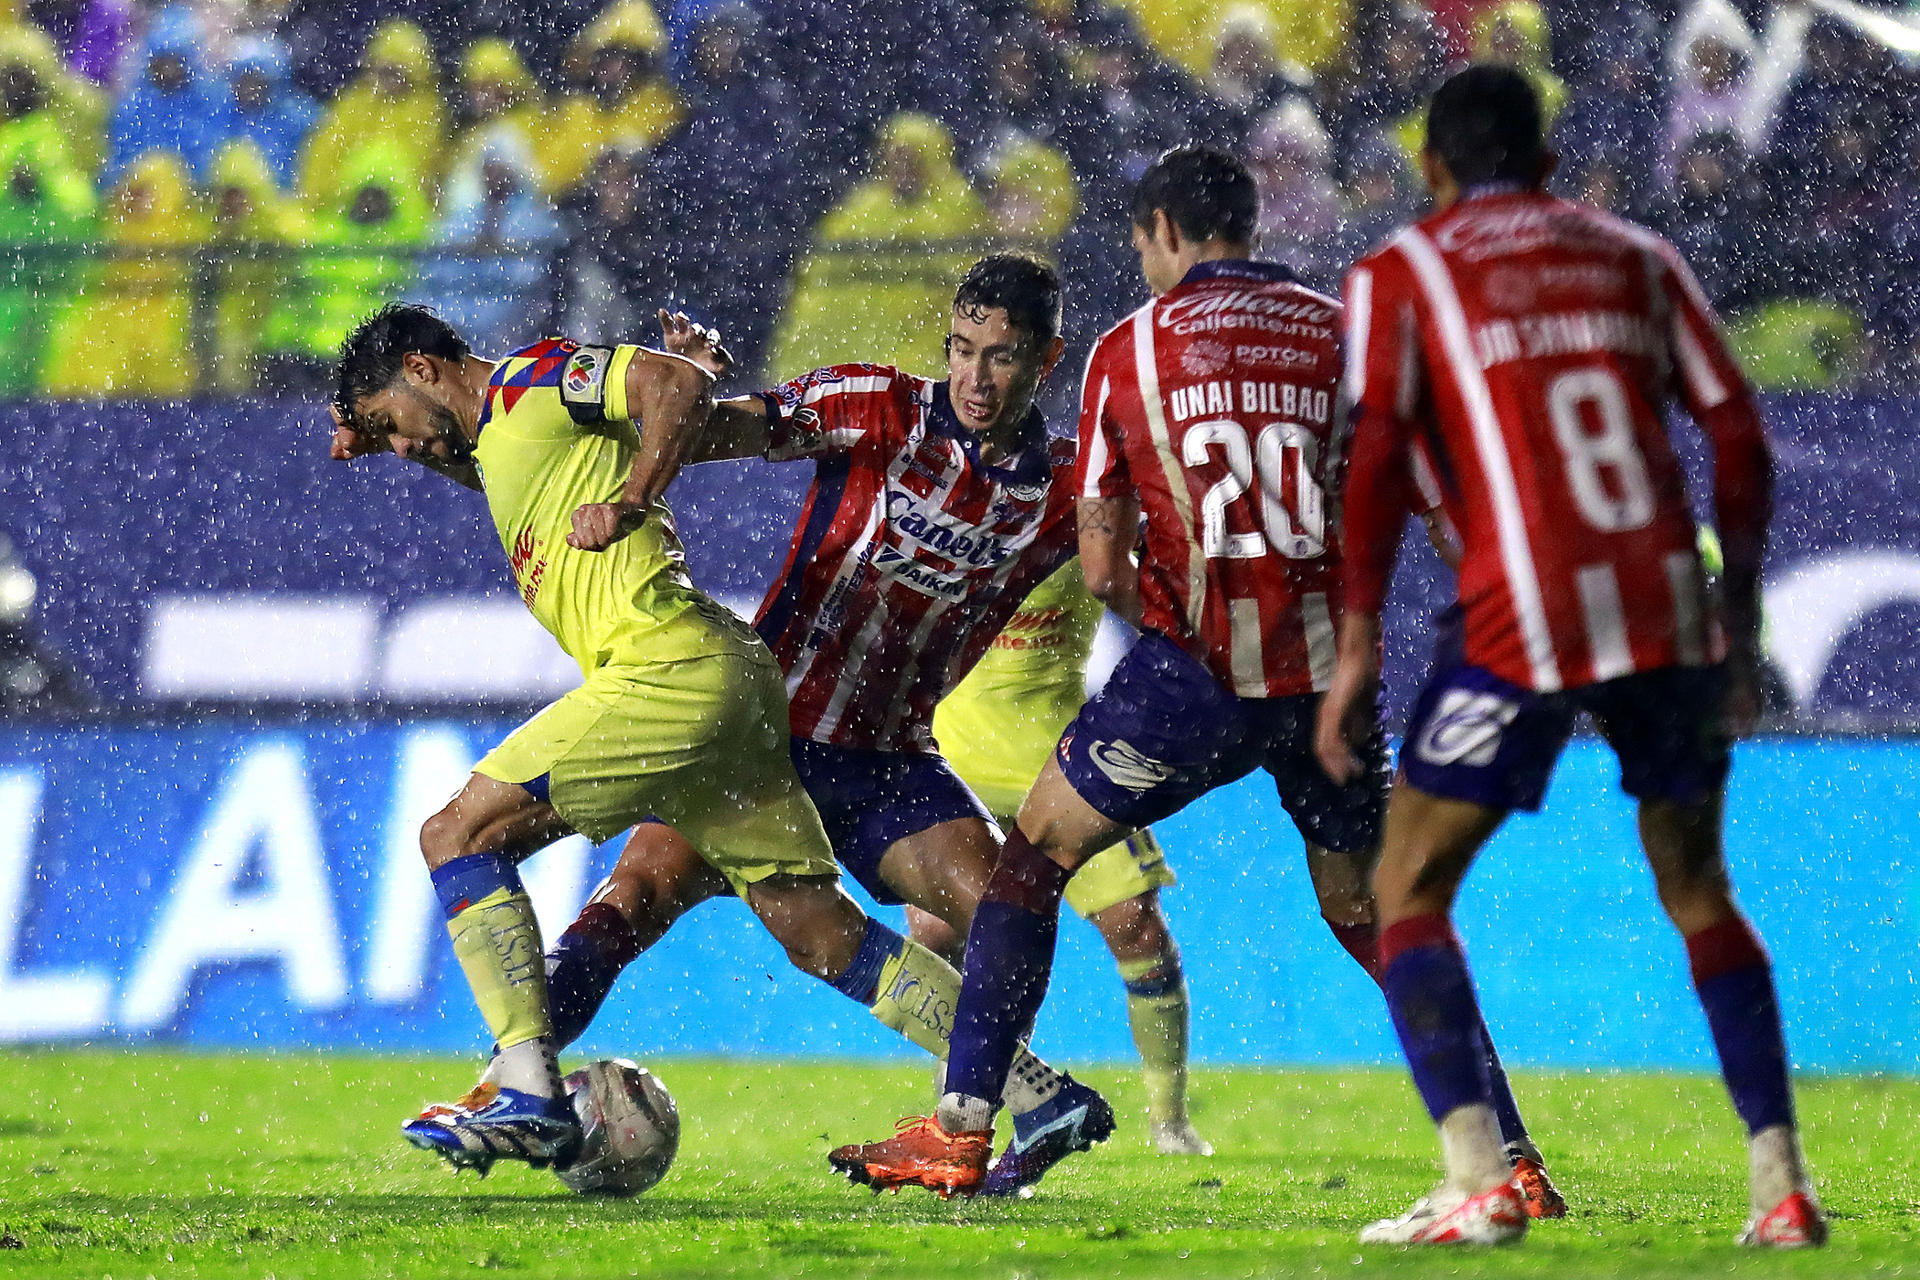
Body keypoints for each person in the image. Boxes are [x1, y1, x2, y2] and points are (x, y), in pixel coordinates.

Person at [827, 146, 1555, 1207]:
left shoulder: (1130, 349)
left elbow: (1102, 560)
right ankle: (1513, 1160)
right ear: (1246, 226)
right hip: (1325, 692)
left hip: (1195, 680)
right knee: (1375, 913)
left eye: (1140, 242)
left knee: (1031, 863)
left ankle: (961, 1128)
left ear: (1165, 231)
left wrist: (1162, 613)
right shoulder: (1348, 333)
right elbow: (1447, 515)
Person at [326, 302, 1083, 1177]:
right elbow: (528, 441)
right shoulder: (504, 445)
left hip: (669, 670)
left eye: (393, 425)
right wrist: (374, 435)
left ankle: (528, 1087)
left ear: (423, 368)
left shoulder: (533, 376)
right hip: (740, 687)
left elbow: (673, 387)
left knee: (457, 834)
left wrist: (635, 492)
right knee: (815, 930)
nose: (404, 447)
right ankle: (1035, 1091)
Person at [1312, 65, 1824, 1248]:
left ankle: (1481, 1178)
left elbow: (1380, 463)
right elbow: (1737, 430)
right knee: (1699, 888)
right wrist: (1735, 611)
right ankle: (1781, 1184)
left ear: (1432, 167)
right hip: (1665, 605)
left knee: (1407, 889)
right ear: (1546, 162)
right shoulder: (1636, 251)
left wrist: (1356, 645)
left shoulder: (1404, 272)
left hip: (1522, 613)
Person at [534, 256, 1122, 1196]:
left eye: (1002, 358)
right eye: (961, 351)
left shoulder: (1064, 491)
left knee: (1007, 901)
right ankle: (511, 1084)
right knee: (632, 899)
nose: (974, 378)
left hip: (886, 761)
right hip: (759, 737)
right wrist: (676, 395)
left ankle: (992, 1112)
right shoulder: (875, 406)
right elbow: (721, 432)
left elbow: (1148, 557)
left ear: (1047, 360)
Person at [931, 559, 1208, 1155]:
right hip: (953, 747)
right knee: (946, 939)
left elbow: (1148, 598)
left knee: (1136, 927)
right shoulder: (957, 508)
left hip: (1053, 752)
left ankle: (1170, 1121)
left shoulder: (1087, 516)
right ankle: (964, 1116)